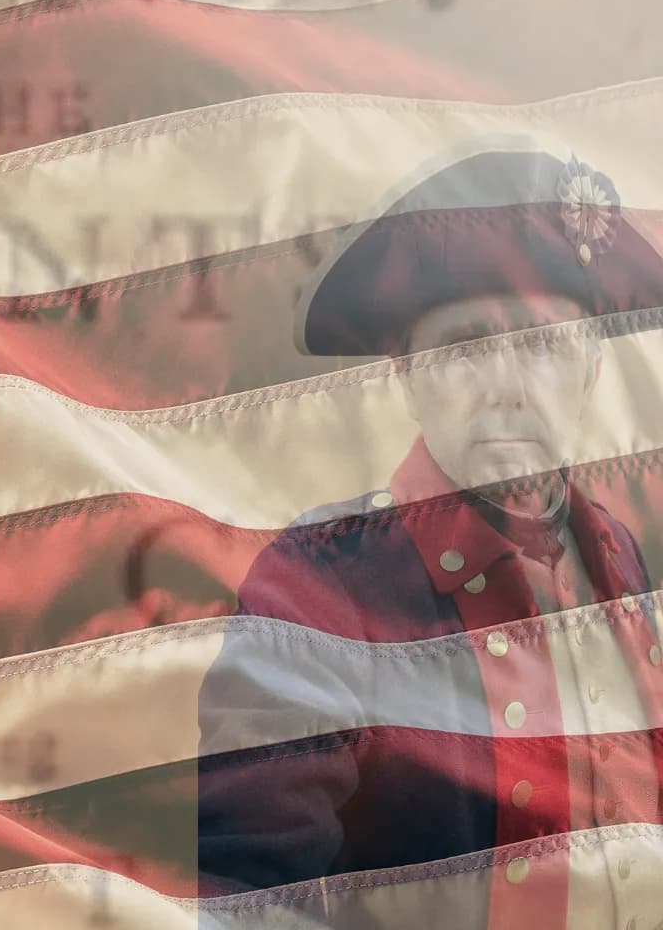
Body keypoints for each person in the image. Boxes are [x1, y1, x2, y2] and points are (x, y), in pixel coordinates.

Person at [194, 138, 663, 922]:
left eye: (544, 341)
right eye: (465, 344)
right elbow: (251, 895)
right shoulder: (318, 584)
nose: (507, 384)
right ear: (405, 373)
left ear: (591, 370)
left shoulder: (619, 552)